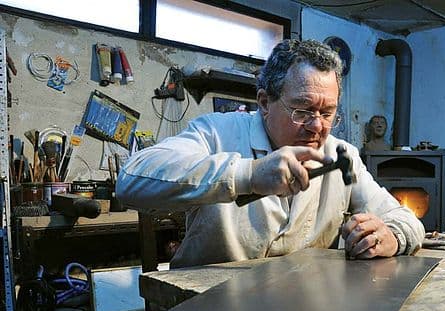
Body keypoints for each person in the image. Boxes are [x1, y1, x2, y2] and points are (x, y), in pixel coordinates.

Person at [117, 39, 425, 268]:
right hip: (210, 305)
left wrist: (392, 236)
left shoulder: (342, 156)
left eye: (327, 113)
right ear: (264, 103)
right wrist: (248, 175)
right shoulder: (217, 133)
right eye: (302, 111)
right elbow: (130, 181)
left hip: (298, 309)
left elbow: (403, 217)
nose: (317, 126)